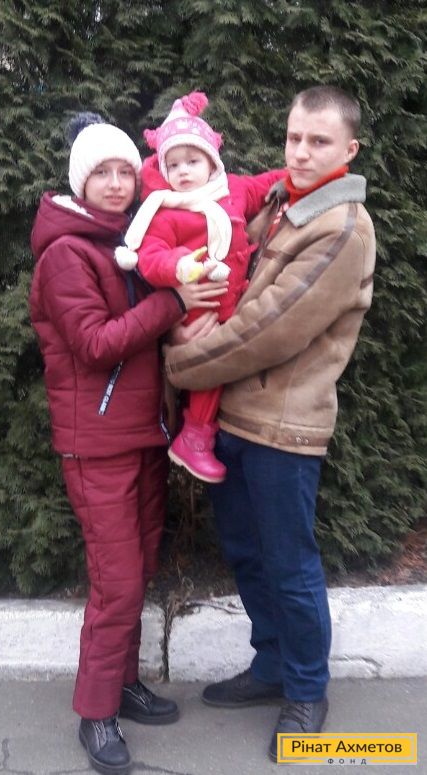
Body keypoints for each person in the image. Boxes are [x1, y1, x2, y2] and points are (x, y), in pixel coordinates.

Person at [164, 85, 376, 762]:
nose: (301, 151)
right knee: (249, 554)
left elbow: (268, 328)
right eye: (293, 137)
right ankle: (271, 665)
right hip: (231, 416)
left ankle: (306, 691)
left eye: (318, 141)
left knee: (289, 564)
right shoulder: (280, 204)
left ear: (348, 149)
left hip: (284, 427)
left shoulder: (341, 228)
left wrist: (178, 362)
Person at [29, 112, 227, 775]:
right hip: (97, 445)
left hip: (142, 434)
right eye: (101, 173)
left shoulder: (124, 241)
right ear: (79, 181)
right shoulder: (67, 254)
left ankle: (123, 682)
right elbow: (94, 344)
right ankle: (96, 712)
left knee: (137, 571)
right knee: (115, 584)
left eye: (123, 171)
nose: (116, 183)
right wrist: (174, 301)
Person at [114, 91, 286, 484]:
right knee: (213, 367)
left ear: (212, 162)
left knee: (223, 368)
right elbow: (150, 257)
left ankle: (198, 432)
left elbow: (268, 183)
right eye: (173, 164)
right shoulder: (166, 211)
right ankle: (195, 436)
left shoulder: (233, 190)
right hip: (199, 306)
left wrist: (300, 178)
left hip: (234, 299)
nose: (183, 172)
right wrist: (180, 266)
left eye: (193, 161)